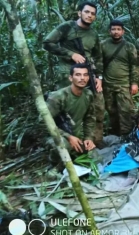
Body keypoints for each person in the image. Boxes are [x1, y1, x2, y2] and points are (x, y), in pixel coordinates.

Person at [43, 1, 105, 147]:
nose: (89, 15)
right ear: (79, 13)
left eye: (92, 14)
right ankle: (67, 141)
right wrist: (71, 54)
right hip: (68, 74)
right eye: (87, 12)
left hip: (88, 74)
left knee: (96, 106)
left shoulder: (93, 34)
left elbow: (98, 57)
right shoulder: (67, 27)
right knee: (67, 108)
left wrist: (99, 77)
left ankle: (93, 141)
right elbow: (47, 43)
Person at [46, 64, 96, 164]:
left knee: (96, 159)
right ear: (70, 78)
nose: (82, 78)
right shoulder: (58, 97)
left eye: (85, 75)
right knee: (63, 146)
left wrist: (88, 138)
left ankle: (74, 155)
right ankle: (55, 164)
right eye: (78, 75)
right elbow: (43, 123)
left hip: (77, 135)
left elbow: (89, 118)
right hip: (57, 135)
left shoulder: (88, 95)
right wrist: (68, 137)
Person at [101, 20, 139, 136]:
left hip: (124, 84)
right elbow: (98, 63)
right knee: (112, 111)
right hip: (107, 84)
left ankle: (126, 135)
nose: (116, 32)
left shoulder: (129, 46)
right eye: (113, 29)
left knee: (126, 111)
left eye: (118, 29)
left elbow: (134, 65)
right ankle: (115, 134)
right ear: (109, 31)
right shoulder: (103, 45)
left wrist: (134, 83)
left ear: (123, 31)